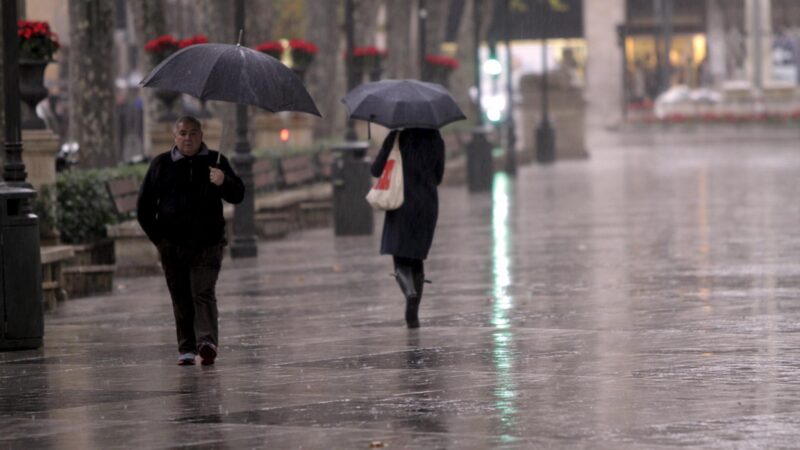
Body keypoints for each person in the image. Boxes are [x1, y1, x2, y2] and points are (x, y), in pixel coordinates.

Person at [137, 116, 244, 366]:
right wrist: (160, 240)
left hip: (209, 243)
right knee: (181, 295)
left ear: (201, 136)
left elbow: (238, 194)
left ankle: (206, 342)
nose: (188, 138)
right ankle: (186, 347)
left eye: (193, 133)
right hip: (172, 244)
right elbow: (144, 208)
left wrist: (223, 181)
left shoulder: (216, 161)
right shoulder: (161, 164)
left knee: (203, 291)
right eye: (183, 133)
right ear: (175, 137)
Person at [370, 128, 445, 328]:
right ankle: (414, 316)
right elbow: (438, 176)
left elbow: (376, 170)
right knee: (416, 257)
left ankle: (410, 292)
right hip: (427, 203)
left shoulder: (396, 136)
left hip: (401, 202)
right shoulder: (435, 137)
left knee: (400, 258)